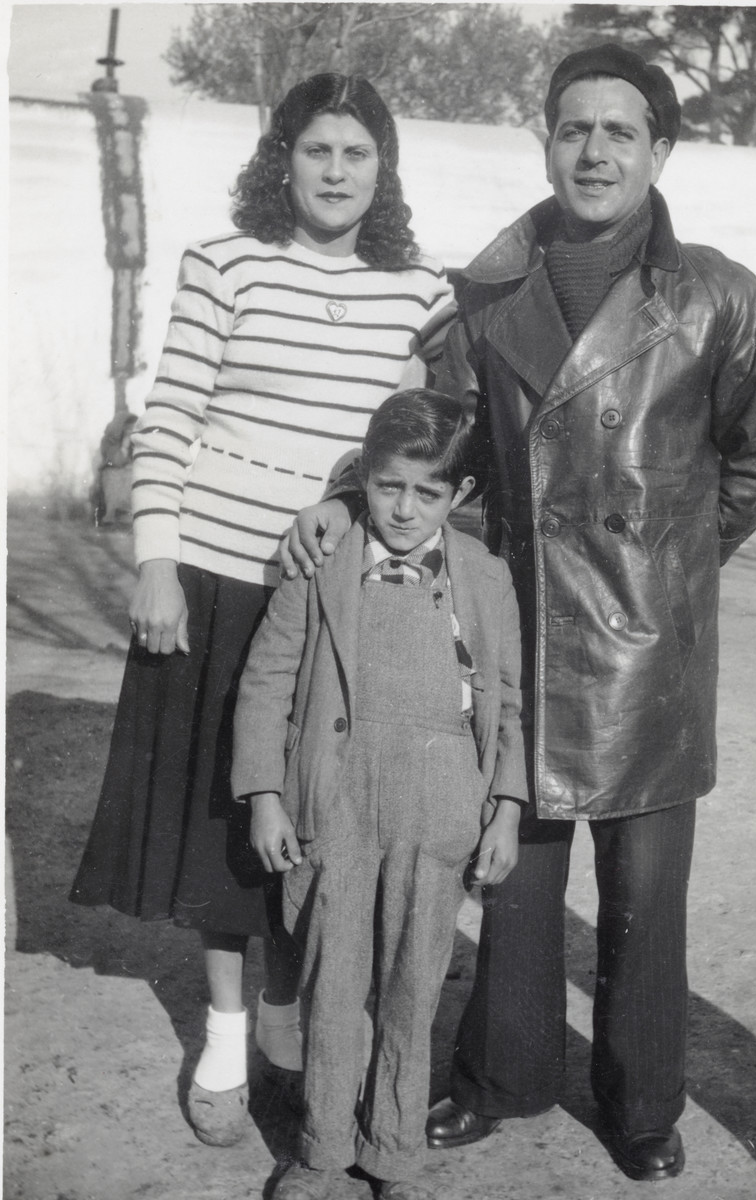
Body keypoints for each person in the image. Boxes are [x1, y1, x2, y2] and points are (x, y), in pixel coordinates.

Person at [283, 45, 756, 1183]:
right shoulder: (487, 295)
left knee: (644, 896)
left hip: (652, 651)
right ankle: (504, 1077)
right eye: (575, 128)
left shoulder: (720, 294)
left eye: (621, 131)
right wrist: (342, 496)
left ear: (661, 151)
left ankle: (640, 1105)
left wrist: (674, 561)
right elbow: (435, 437)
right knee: (512, 875)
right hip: (519, 636)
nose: (596, 151)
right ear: (547, 141)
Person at [68, 73, 456, 1149]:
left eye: (358, 154)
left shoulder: (420, 291)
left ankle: (312, 1034)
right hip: (209, 576)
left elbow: (425, 440)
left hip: (332, 601)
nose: (336, 172)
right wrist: (154, 564)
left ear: (385, 170)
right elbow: (171, 417)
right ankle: (231, 1041)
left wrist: (343, 500)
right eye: (317, 150)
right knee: (219, 829)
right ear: (281, 159)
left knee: (318, 818)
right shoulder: (222, 264)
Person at [231, 389, 527, 1200]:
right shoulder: (322, 563)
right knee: (333, 982)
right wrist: (264, 793)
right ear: (364, 478)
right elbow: (266, 681)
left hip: (440, 809)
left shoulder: (486, 578)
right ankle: (321, 1151)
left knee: (412, 983)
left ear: (458, 495)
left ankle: (393, 1154)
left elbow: (509, 700)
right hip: (339, 801)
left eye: (426, 492)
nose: (403, 508)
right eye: (388, 486)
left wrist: (504, 806)